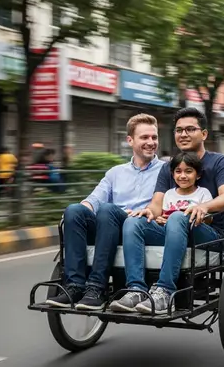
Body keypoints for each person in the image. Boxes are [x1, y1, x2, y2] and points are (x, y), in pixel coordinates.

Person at [110, 107, 224, 314]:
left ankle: (165, 291)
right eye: (179, 130)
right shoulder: (169, 167)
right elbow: (157, 203)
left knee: (179, 216)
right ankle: (136, 289)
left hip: (208, 234)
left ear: (204, 134)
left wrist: (203, 206)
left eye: (190, 129)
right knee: (133, 221)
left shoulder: (220, 162)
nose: (183, 134)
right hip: (174, 229)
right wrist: (150, 212)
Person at [46, 113, 165, 311]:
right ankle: (74, 285)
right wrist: (79, 212)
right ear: (130, 140)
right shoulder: (115, 172)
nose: (151, 142)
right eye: (144, 137)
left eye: (154, 137)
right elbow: (94, 199)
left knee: (108, 210)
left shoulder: (168, 170)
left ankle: (97, 288)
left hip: (141, 227)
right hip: (108, 226)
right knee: (74, 210)